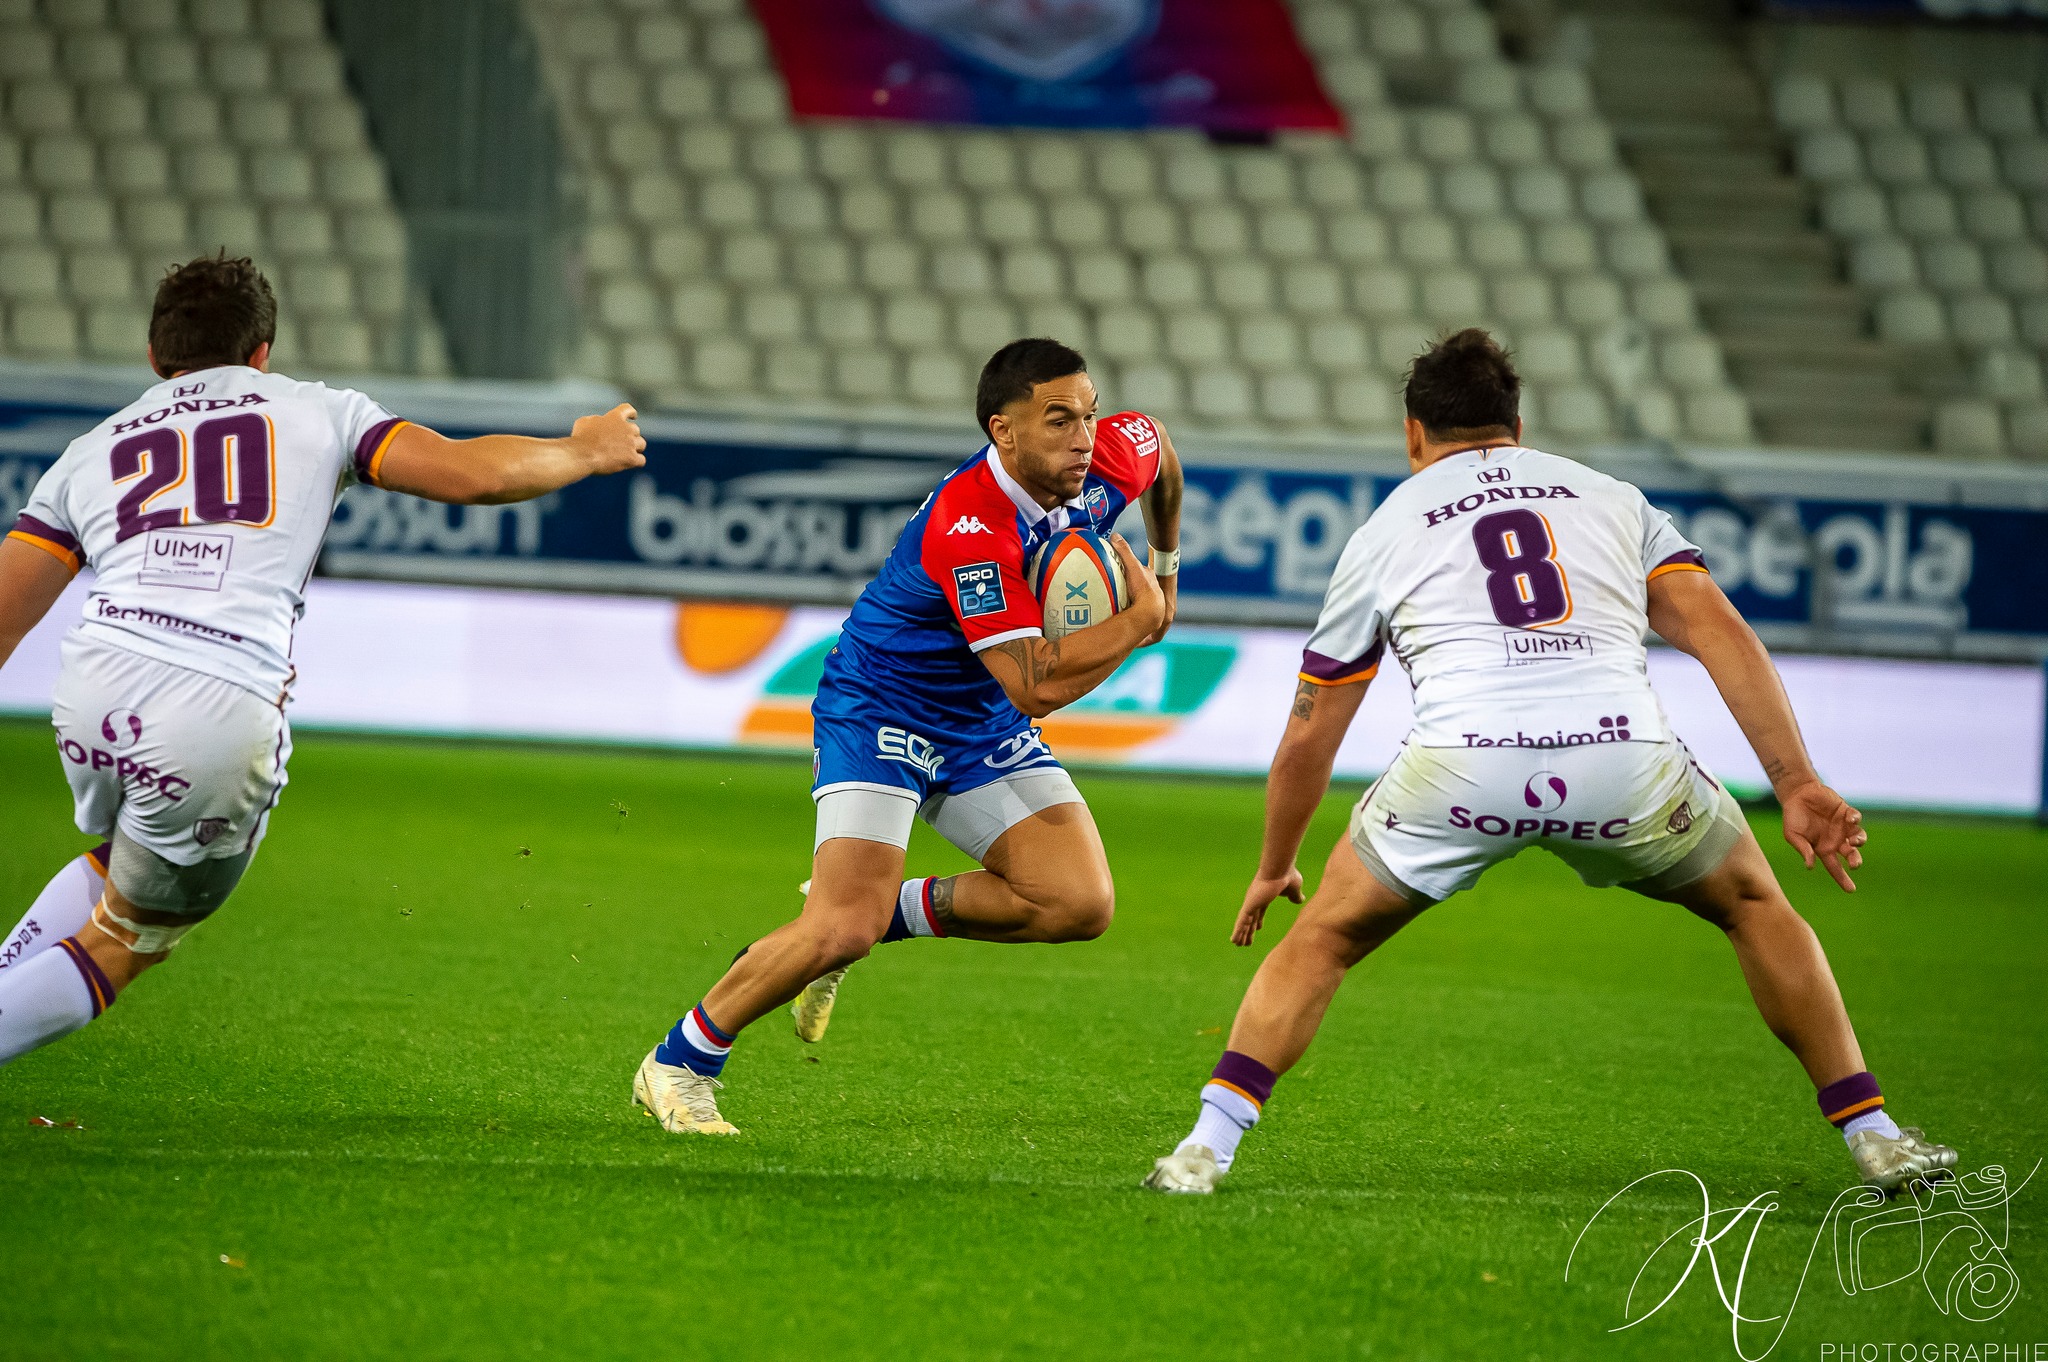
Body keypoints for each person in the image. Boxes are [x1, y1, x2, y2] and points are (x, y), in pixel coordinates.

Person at [1143, 329, 1955, 1195]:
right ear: (1517, 424)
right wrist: (1796, 783)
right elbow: (1719, 632)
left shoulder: (1383, 530)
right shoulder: (1611, 498)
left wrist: (1275, 866)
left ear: (1414, 434)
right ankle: (1874, 1137)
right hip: (1623, 762)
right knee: (1756, 906)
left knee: (1324, 940)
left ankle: (1205, 1149)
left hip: (1461, 770)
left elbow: (1311, 728)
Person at [0, 252, 646, 1066]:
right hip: (216, 701)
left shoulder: (90, 450)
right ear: (262, 351)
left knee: (124, 869)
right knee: (127, 938)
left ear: (157, 358)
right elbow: (467, 476)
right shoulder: (318, 412)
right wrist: (583, 449)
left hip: (91, 688)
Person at [633, 338, 1183, 1135]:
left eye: (1090, 413)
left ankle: (864, 916)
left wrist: (1165, 566)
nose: (1085, 437)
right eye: (1059, 420)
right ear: (1004, 432)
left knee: (1077, 901)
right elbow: (1035, 685)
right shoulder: (972, 526)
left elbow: (1159, 446)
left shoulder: (1096, 470)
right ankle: (679, 1063)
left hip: (975, 717)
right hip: (882, 710)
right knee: (837, 929)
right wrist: (1139, 622)